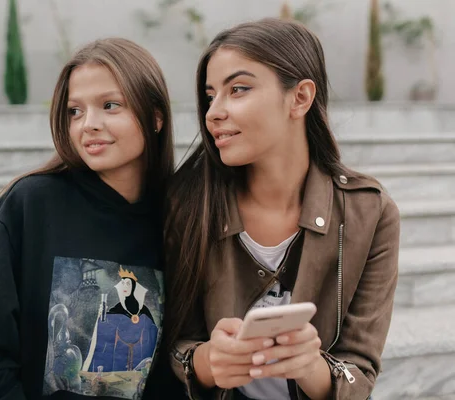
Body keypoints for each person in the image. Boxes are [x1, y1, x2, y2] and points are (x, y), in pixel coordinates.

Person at [164, 19, 400, 400]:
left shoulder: (370, 213)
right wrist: (207, 361)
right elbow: (175, 342)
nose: (213, 113)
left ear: (301, 97)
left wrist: (309, 365)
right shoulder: (188, 204)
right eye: (211, 96)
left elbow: (360, 368)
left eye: (238, 89)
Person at [0, 38, 177, 400]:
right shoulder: (32, 204)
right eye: (74, 111)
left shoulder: (180, 219)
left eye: (110, 105)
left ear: (156, 116)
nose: (88, 125)